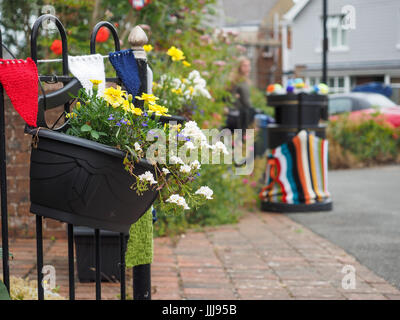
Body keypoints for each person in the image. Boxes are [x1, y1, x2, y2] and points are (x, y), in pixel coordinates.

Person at [229, 56, 254, 130]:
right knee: (245, 140)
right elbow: (246, 102)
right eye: (245, 66)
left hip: (232, 115)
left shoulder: (234, 79)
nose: (248, 68)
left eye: (249, 65)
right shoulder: (241, 82)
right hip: (240, 117)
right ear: (239, 67)